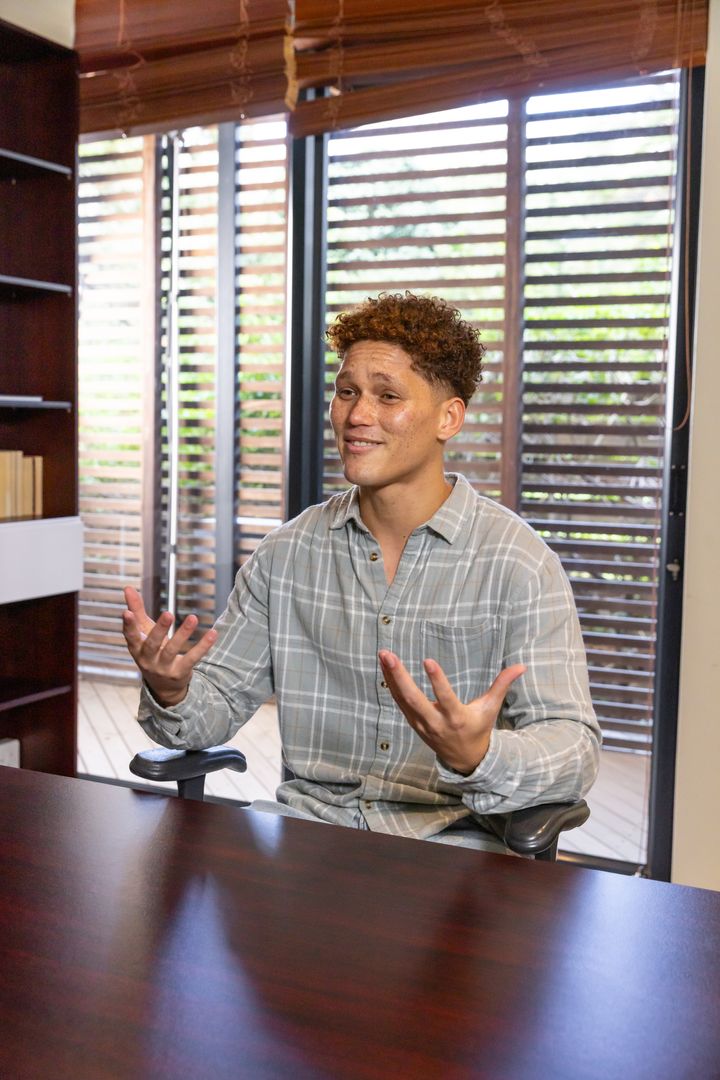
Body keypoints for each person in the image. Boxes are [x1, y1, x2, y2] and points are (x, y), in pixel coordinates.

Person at [123, 292, 600, 852]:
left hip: (452, 847)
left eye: (387, 396)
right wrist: (173, 689)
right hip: (305, 837)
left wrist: (482, 755)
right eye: (346, 391)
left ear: (449, 417)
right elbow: (217, 707)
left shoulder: (518, 562)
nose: (356, 415)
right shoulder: (287, 553)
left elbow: (575, 747)